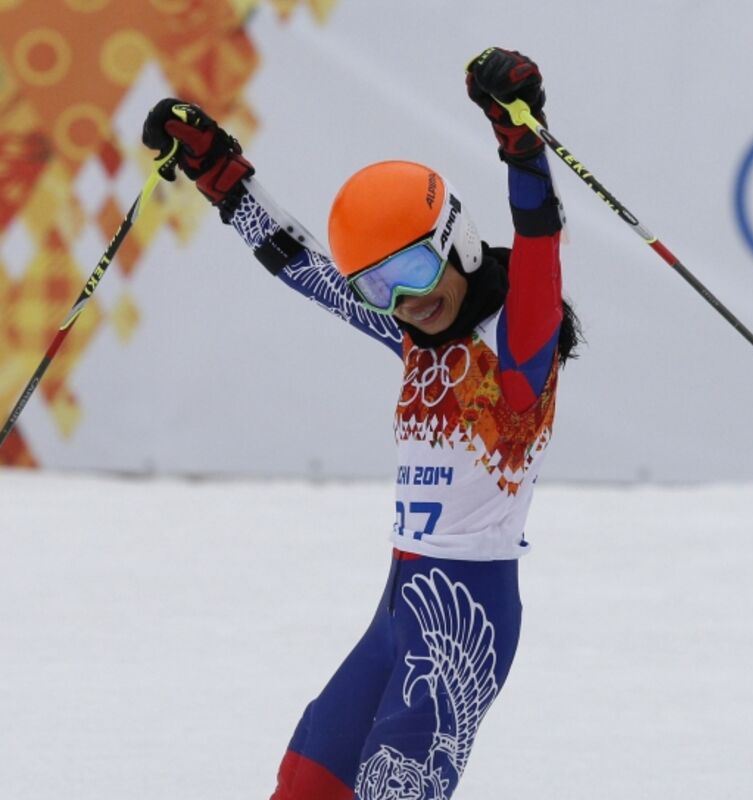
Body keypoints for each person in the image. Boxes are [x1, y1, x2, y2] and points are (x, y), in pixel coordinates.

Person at [142, 47, 578, 800]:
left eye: (413, 270)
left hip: (461, 625)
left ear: (456, 239)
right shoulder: (415, 337)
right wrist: (222, 177)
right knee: (304, 781)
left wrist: (521, 145)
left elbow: (540, 244)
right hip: (395, 615)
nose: (405, 301)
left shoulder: (517, 356)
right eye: (378, 287)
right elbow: (303, 266)